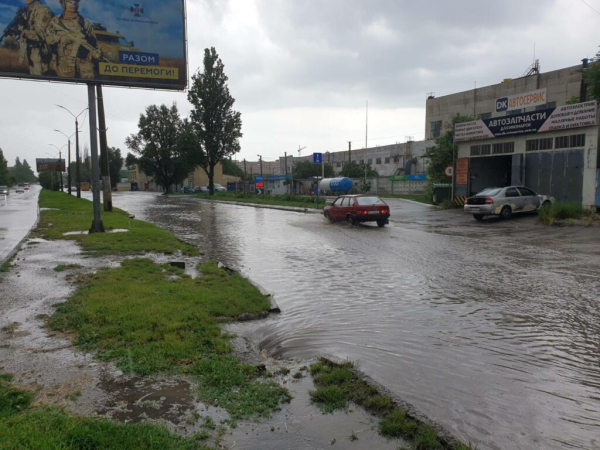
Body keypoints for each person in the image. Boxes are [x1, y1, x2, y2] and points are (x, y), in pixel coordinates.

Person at [46, 0, 100, 79]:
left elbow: (94, 42)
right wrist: (62, 38)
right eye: (69, 2)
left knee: (89, 83)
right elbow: (48, 39)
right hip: (65, 63)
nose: (73, 5)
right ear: (64, 3)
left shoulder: (84, 22)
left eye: (75, 3)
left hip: (84, 63)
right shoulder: (56, 21)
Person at [3, 0, 53, 75]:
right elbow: (21, 29)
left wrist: (20, 32)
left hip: (41, 54)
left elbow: (40, 35)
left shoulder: (43, 11)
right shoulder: (26, 12)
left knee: (40, 80)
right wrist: (11, 33)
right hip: (30, 52)